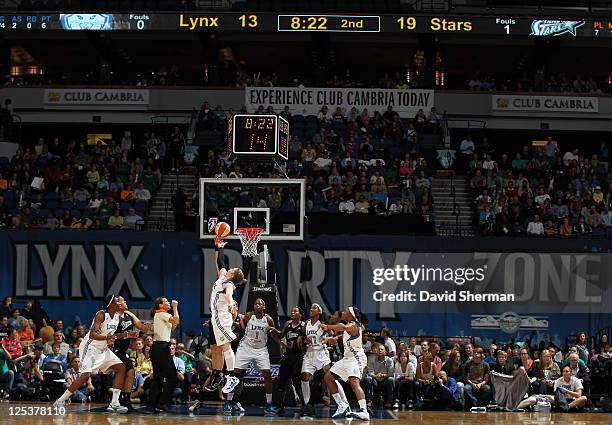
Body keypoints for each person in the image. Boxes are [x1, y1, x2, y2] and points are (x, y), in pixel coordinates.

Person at [54, 294, 128, 413]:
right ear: (111, 304)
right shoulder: (101, 314)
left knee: (121, 368)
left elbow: (111, 336)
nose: (120, 303)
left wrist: (124, 336)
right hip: (90, 347)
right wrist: (107, 337)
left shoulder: (117, 318)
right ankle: (61, 400)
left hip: (103, 349)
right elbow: (93, 334)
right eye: (117, 301)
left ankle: (114, 403)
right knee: (85, 376)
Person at [225, 298, 281, 415]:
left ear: (264, 307)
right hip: (245, 348)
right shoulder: (249, 316)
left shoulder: (269, 320)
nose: (257, 305)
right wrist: (236, 324)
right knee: (235, 373)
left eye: (260, 303)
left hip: (261, 350)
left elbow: (274, 335)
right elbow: (242, 326)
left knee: (268, 374)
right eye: (255, 303)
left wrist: (282, 344)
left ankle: (269, 404)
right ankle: (228, 402)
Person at [204, 239, 246, 393]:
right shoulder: (222, 276)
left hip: (222, 317)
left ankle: (230, 376)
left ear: (232, 275)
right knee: (222, 347)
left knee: (226, 347)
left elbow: (229, 294)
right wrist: (218, 248)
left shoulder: (229, 284)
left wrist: (230, 303)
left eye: (233, 269)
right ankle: (226, 376)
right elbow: (220, 263)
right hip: (216, 317)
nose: (230, 268)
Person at [321, 306, 369, 421]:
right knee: (328, 377)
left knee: (354, 383)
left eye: (346, 310)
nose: (343, 311)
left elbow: (343, 327)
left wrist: (327, 327)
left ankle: (364, 411)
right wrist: (335, 338)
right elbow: (346, 334)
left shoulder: (353, 325)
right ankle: (342, 405)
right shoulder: (352, 326)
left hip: (356, 358)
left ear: (351, 314)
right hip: (347, 359)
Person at [112, 296, 152, 411]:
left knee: (130, 372)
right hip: (113, 350)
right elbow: (110, 336)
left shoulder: (129, 314)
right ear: (118, 303)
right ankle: (121, 401)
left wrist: (147, 326)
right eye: (123, 300)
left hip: (123, 351)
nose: (125, 302)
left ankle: (124, 400)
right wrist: (127, 335)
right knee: (128, 370)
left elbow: (141, 327)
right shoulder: (112, 317)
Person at [146, 296, 180, 413]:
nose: (169, 302)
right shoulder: (162, 314)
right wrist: (175, 308)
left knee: (158, 378)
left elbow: (174, 324)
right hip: (161, 348)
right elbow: (176, 320)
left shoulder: (161, 315)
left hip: (157, 348)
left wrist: (174, 314)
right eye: (166, 301)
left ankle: (151, 405)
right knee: (172, 377)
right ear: (160, 305)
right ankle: (163, 403)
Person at [300, 303, 332, 416]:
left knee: (329, 378)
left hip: (321, 353)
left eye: (314, 308)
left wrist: (326, 338)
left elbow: (331, 334)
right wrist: (304, 339)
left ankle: (342, 403)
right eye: (311, 307)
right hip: (309, 353)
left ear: (319, 312)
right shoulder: (307, 323)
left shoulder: (322, 324)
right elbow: (303, 336)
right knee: (304, 376)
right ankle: (307, 404)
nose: (311, 309)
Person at [276, 306, 305, 412]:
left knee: (297, 381)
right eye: (292, 311)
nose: (292, 312)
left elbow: (307, 339)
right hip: (287, 356)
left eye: (295, 311)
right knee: (281, 380)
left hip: (298, 356)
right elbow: (280, 336)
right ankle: (280, 405)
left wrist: (302, 339)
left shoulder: (303, 326)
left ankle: (303, 404)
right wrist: (282, 344)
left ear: (300, 314)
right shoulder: (287, 324)